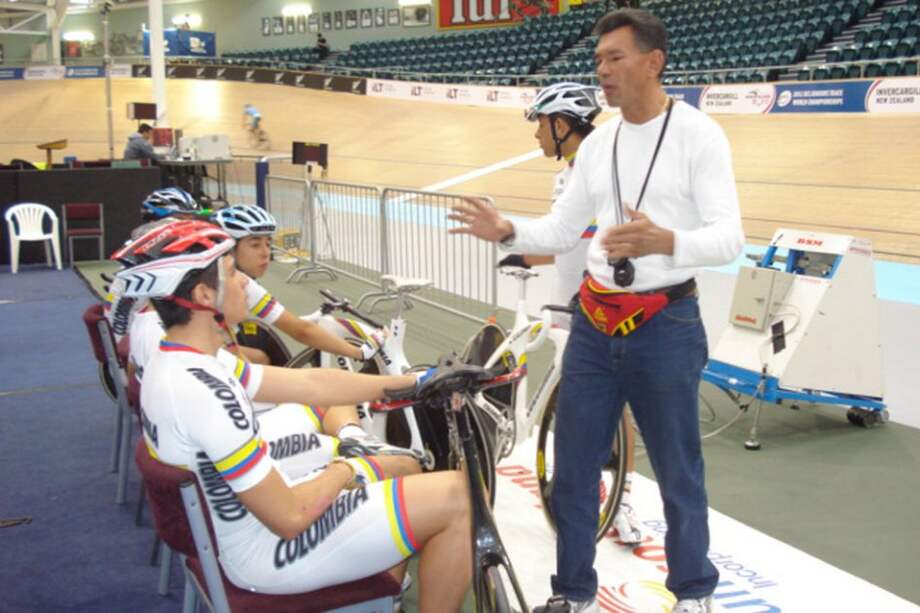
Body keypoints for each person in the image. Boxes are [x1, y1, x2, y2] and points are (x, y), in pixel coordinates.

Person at [448, 8, 744, 613]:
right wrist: (508, 230)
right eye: (598, 59)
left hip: (665, 325)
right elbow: (562, 229)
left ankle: (694, 592)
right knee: (574, 469)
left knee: (679, 471)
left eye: (615, 58)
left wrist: (667, 241)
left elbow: (730, 238)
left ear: (653, 62)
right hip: (594, 323)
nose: (602, 70)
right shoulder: (601, 142)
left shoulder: (699, 136)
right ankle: (573, 592)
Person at [115, 220, 472, 607]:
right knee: (460, 497)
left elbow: (312, 385)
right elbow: (291, 516)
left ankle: (384, 598)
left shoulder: (189, 361)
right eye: (232, 273)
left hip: (252, 525)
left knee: (399, 465)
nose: (243, 283)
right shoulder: (204, 390)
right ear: (203, 295)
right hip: (270, 552)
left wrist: (414, 383)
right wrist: (346, 468)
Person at [498, 81, 643, 547]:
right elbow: (571, 240)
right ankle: (584, 489)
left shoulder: (608, 172)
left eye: (541, 124)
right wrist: (527, 255)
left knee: (614, 407)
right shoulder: (566, 175)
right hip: (569, 306)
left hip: (600, 308)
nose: (536, 134)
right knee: (574, 407)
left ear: (561, 125)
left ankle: (621, 499)